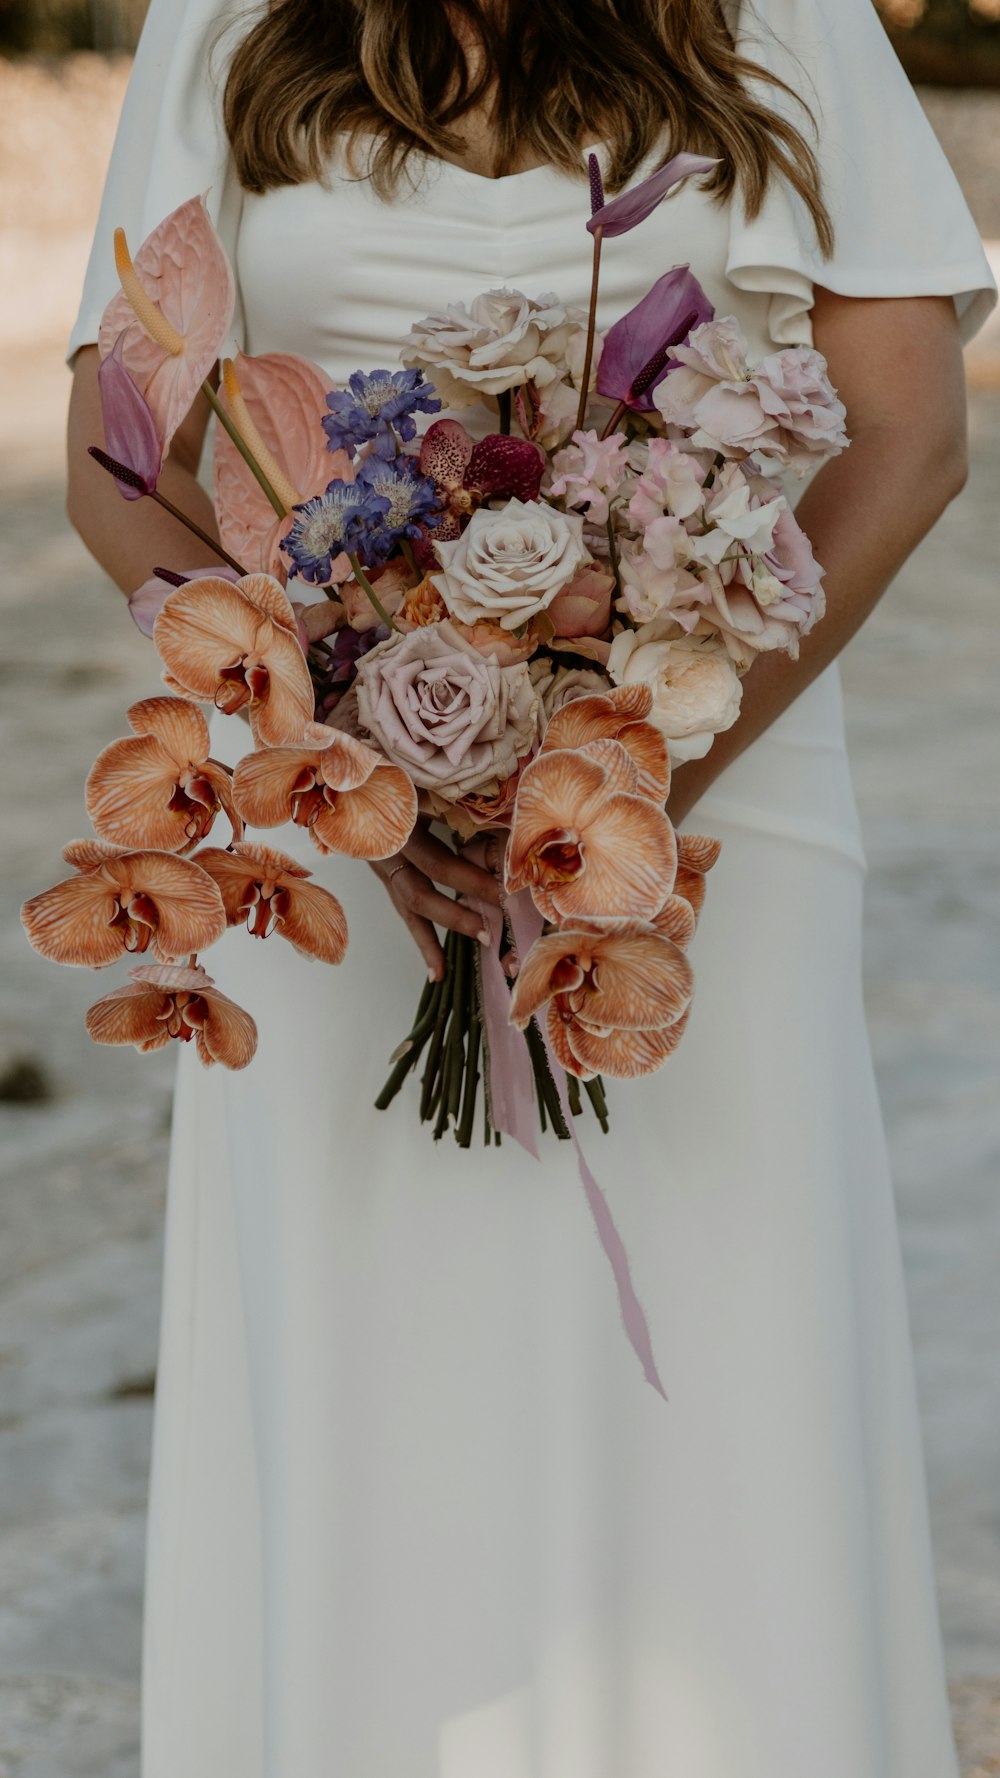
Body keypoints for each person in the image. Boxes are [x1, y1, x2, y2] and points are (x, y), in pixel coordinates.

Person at [65, 1, 995, 1773]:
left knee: (725, 1387)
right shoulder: (230, 20)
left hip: (722, 801)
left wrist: (621, 782)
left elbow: (912, 432)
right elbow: (121, 458)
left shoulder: (778, 13)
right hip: (340, 842)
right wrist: (351, 756)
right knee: (376, 1401)